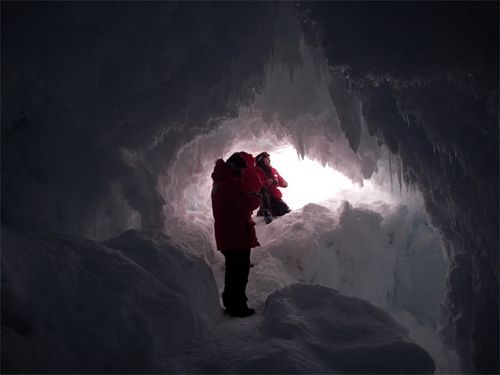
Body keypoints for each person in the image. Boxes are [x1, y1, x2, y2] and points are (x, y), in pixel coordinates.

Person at [211, 152, 260, 317]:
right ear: (235, 168)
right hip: (236, 234)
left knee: (233, 272)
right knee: (239, 272)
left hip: (228, 233)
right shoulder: (230, 183)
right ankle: (238, 307)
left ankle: (231, 304)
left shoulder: (220, 181)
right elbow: (246, 204)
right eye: (242, 170)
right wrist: (256, 199)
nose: (243, 173)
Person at [255, 151, 290, 222]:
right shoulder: (255, 172)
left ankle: (265, 211)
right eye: (267, 158)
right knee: (264, 190)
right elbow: (254, 186)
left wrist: (284, 183)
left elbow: (281, 181)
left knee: (284, 209)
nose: (269, 160)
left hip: (274, 197)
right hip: (263, 198)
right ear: (262, 160)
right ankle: (266, 212)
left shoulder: (273, 170)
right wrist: (266, 183)